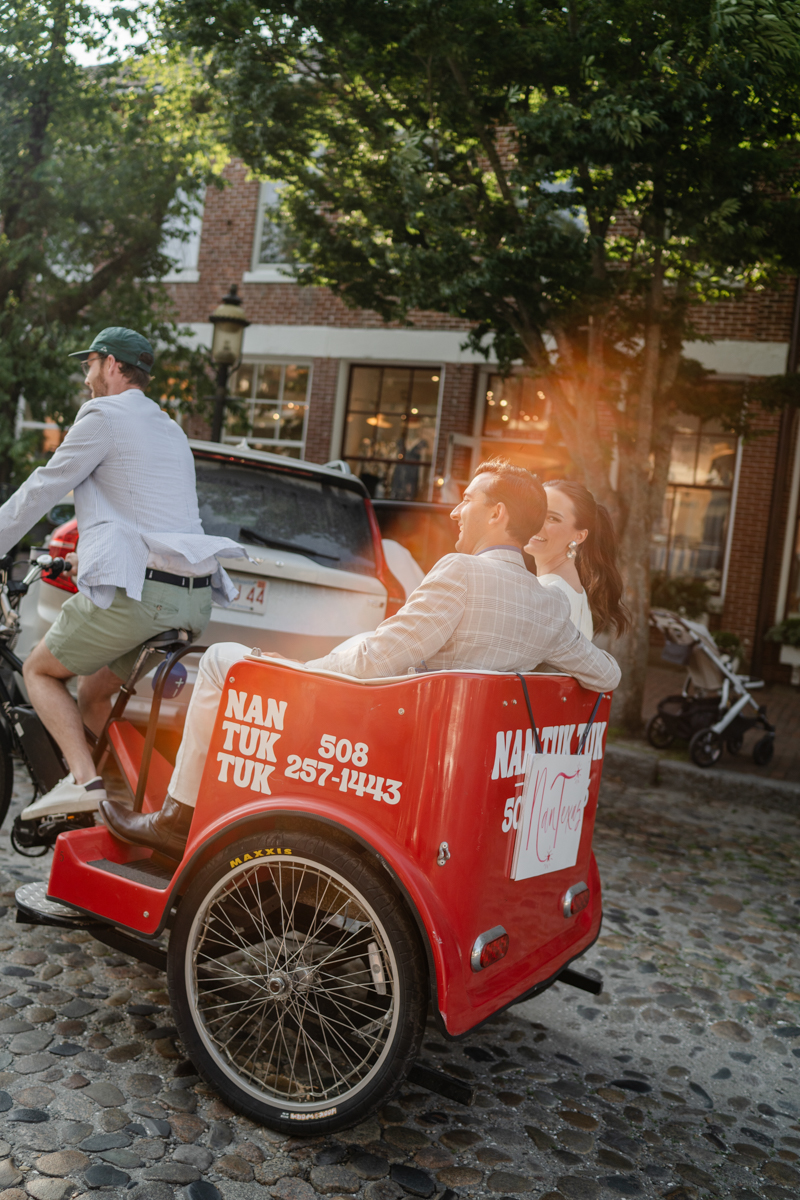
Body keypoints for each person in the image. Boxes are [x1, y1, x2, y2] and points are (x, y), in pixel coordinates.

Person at [100, 457, 622, 859]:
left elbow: (378, 658)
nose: (457, 511)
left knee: (219, 661)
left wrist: (299, 670)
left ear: (497, 513)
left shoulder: (461, 571)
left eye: (467, 500)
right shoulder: (548, 604)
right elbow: (606, 673)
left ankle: (176, 817)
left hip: (384, 743)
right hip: (450, 752)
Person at [0, 327, 245, 819]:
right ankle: (152, 812)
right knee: (92, 694)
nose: (85, 376)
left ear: (111, 365)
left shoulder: (103, 416)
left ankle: (83, 782)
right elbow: (147, 514)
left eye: (88, 364)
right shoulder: (169, 427)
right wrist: (79, 559)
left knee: (39, 670)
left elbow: (41, 489)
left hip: (144, 597)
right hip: (192, 599)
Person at [525, 478, 630, 641]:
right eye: (536, 512)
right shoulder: (574, 591)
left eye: (552, 518)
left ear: (579, 536)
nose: (536, 523)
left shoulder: (550, 593)